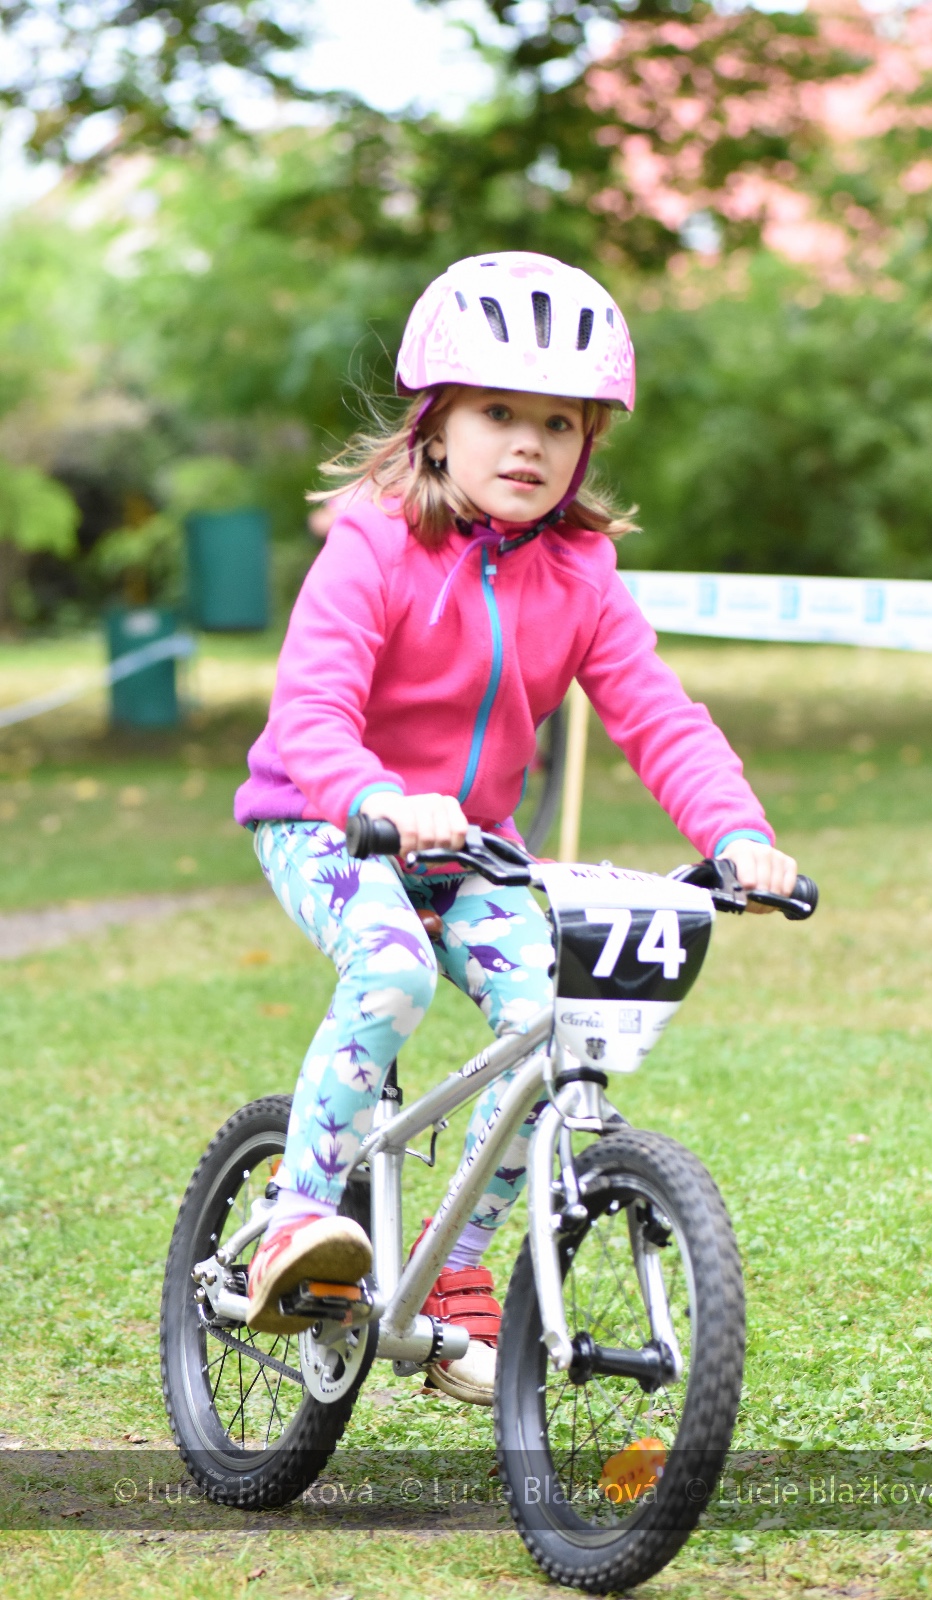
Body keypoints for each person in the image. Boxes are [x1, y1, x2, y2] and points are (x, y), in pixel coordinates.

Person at [233, 251, 796, 1405]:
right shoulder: (375, 542)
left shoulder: (581, 572)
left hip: (468, 845)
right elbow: (312, 709)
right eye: (497, 412)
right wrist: (373, 798)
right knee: (390, 972)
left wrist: (735, 833)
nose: (527, 444)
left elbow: (656, 715)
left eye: (557, 422)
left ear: (586, 443)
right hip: (326, 818)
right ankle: (296, 1218)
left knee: (560, 1018)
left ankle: (454, 1262)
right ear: (435, 424)